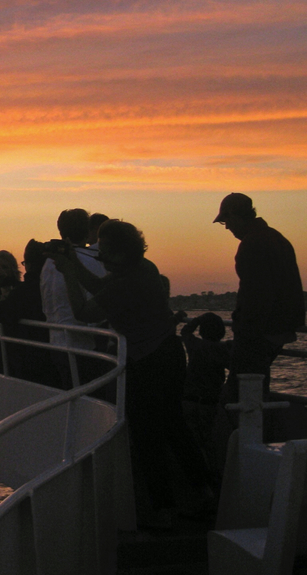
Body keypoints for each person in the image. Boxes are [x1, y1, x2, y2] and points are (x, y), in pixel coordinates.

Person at [52, 219, 212, 527]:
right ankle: (203, 492)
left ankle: (163, 511)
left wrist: (69, 274)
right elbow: (101, 287)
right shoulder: (144, 268)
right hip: (169, 354)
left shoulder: (126, 284)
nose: (101, 255)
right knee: (175, 426)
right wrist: (73, 263)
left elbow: (84, 312)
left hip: (149, 361)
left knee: (147, 435)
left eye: (105, 250)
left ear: (121, 253)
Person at [213, 193, 305, 400]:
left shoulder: (252, 243)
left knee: (240, 394)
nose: (227, 228)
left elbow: (255, 295)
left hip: (259, 333)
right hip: (279, 328)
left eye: (226, 221)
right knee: (257, 390)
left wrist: (245, 331)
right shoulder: (276, 238)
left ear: (234, 216)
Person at [40, 209, 106, 354]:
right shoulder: (89, 261)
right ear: (87, 231)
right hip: (82, 346)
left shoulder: (48, 264)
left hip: (55, 342)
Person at [0, 240, 57, 386]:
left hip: (31, 356)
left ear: (28, 264)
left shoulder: (26, 290)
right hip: (53, 347)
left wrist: (4, 297)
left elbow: (3, 312)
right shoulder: (52, 284)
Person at [180, 312, 231, 473]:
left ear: (202, 331)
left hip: (189, 399)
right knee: (209, 440)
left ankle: (194, 472)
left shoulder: (194, 345)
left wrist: (198, 319)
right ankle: (212, 473)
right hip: (209, 402)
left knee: (192, 439)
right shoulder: (222, 349)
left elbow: (185, 331)